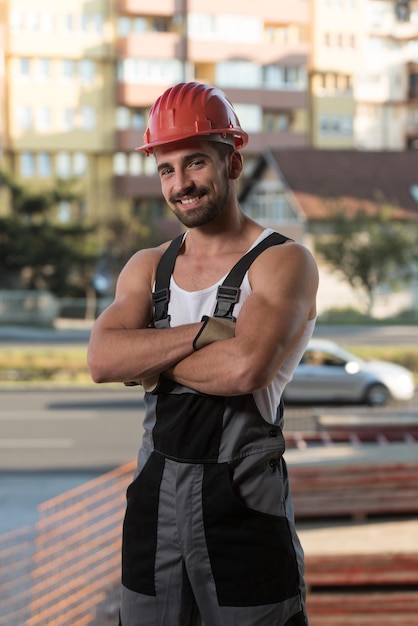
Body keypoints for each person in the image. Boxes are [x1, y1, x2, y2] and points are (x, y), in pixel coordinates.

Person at [88, 81, 318, 626]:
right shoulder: (147, 266)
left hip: (242, 504)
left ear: (232, 163)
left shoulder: (282, 262)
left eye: (195, 163)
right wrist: (204, 334)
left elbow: (245, 367)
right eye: (166, 170)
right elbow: (102, 360)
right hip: (153, 505)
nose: (181, 184)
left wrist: (146, 358)